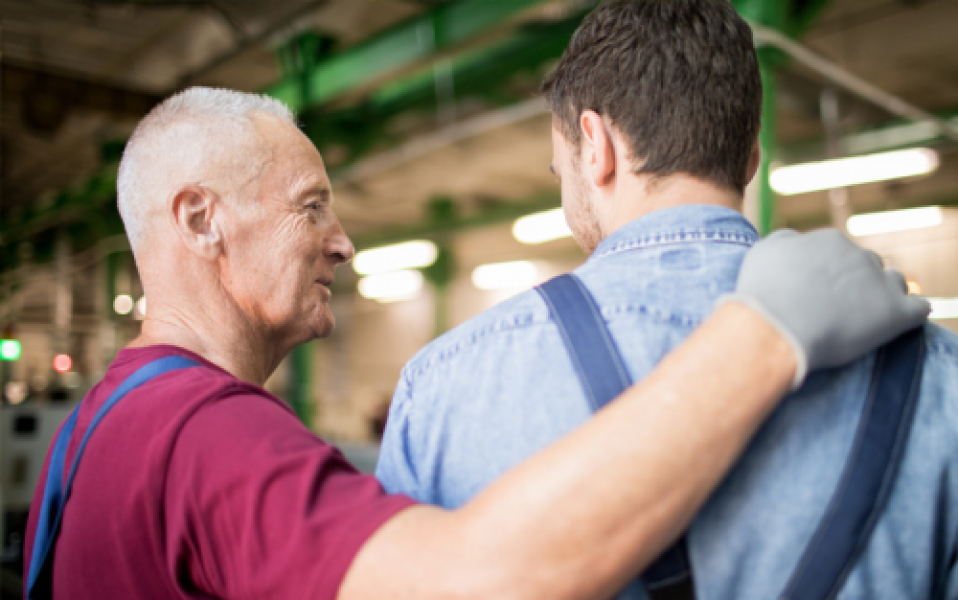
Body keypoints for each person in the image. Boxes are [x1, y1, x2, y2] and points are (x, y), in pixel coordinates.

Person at [22, 86, 923, 600]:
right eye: (311, 206)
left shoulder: (97, 427)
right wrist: (764, 337)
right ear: (200, 219)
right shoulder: (206, 437)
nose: (342, 241)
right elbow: (476, 582)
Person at [376, 1, 958, 599]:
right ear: (752, 155)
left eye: (560, 170)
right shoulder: (940, 375)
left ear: (595, 145)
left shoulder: (448, 380)